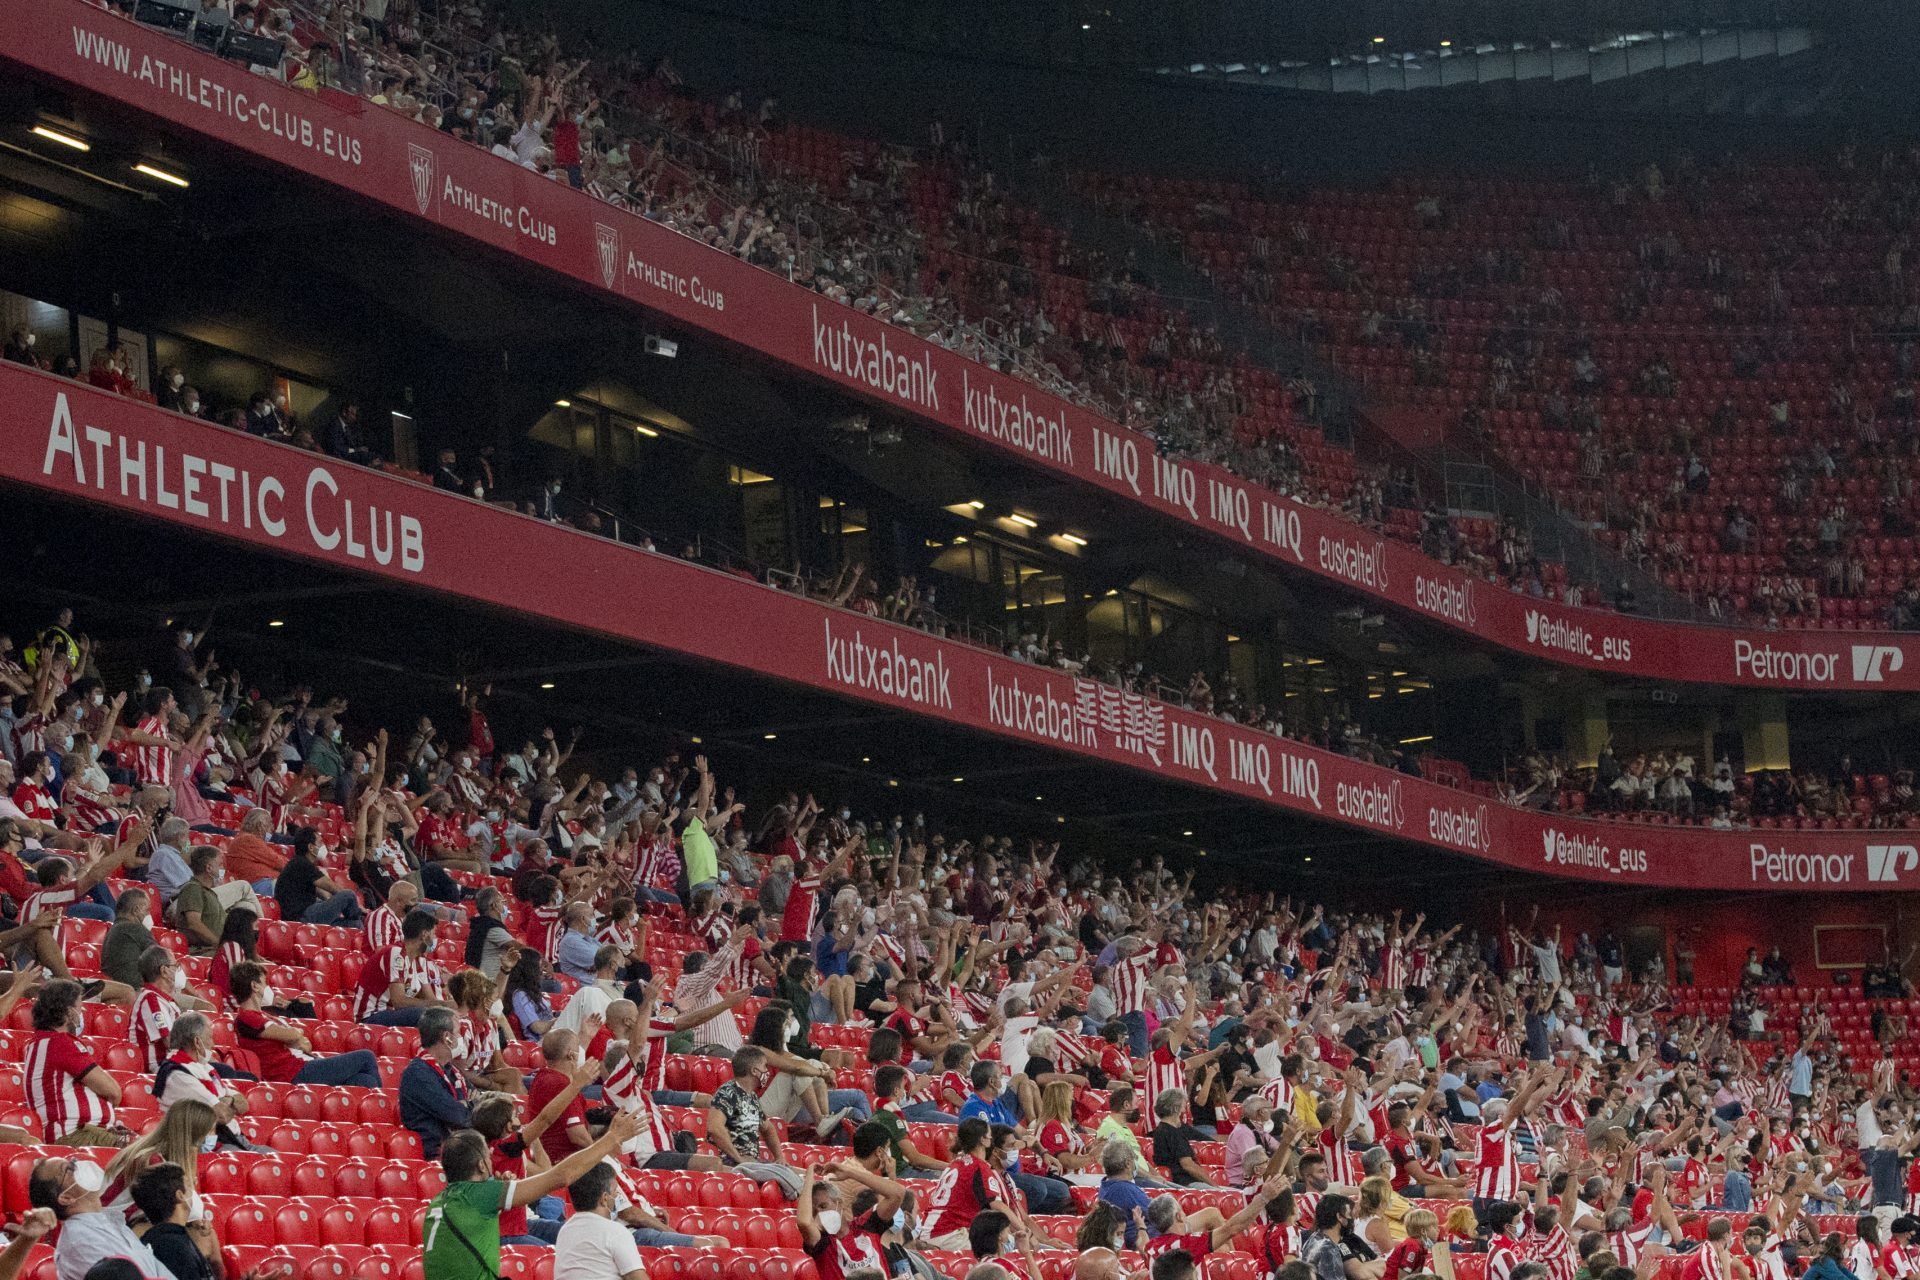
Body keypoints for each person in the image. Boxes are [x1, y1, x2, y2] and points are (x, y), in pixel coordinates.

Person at [423, 1110, 643, 1280]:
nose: (492, 1160)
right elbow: (561, 1176)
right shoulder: (480, 1195)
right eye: (487, 1157)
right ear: (481, 1165)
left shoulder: (438, 1202)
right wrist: (611, 1138)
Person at [231, 961, 383, 1087]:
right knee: (366, 1056)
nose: (268, 988)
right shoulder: (247, 1017)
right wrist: (294, 1037)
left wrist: (294, 1038)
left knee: (364, 1081)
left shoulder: (265, 1016)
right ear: (254, 986)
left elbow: (304, 1043)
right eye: (265, 983)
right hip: (292, 1072)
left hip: (303, 1064)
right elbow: (293, 1035)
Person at [27, 1153, 170, 1280]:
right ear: (66, 1198)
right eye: (69, 1168)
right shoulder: (79, 1241)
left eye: (73, 1161)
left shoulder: (112, 1222)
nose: (78, 1165)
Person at [24, 979, 122, 1146]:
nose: (82, 1011)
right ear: (69, 1013)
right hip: (75, 1135)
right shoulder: (60, 1043)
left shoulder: (40, 1042)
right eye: (79, 1006)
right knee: (150, 1156)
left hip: (83, 1133)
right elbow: (113, 1091)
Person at [706, 1046, 804, 1199]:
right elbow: (714, 1128)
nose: (767, 1071)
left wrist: (780, 1157)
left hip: (754, 1163)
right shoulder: (727, 1093)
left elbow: (768, 1128)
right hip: (731, 1164)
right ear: (754, 1071)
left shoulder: (752, 1097)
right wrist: (738, 1158)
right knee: (797, 1179)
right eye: (765, 1066)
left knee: (808, 1176)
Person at [355, 907, 449, 1027]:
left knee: (444, 1016)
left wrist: (451, 1008)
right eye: (434, 933)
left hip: (395, 1014)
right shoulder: (395, 953)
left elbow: (431, 1000)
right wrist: (441, 1006)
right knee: (426, 1015)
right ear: (424, 934)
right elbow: (399, 1002)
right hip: (372, 1016)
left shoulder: (420, 959)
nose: (435, 939)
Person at [127, 1161, 220, 1280]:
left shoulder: (166, 1239)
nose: (193, 1188)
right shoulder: (174, 1249)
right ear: (180, 1196)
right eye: (189, 1184)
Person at [401, 1007, 472, 1158]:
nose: (461, 1038)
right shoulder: (418, 1074)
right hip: (437, 1156)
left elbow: (475, 1103)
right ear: (447, 1037)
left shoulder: (452, 1071)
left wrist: (468, 1106)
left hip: (461, 1151)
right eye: (458, 1033)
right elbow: (457, 1115)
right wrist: (467, 1106)